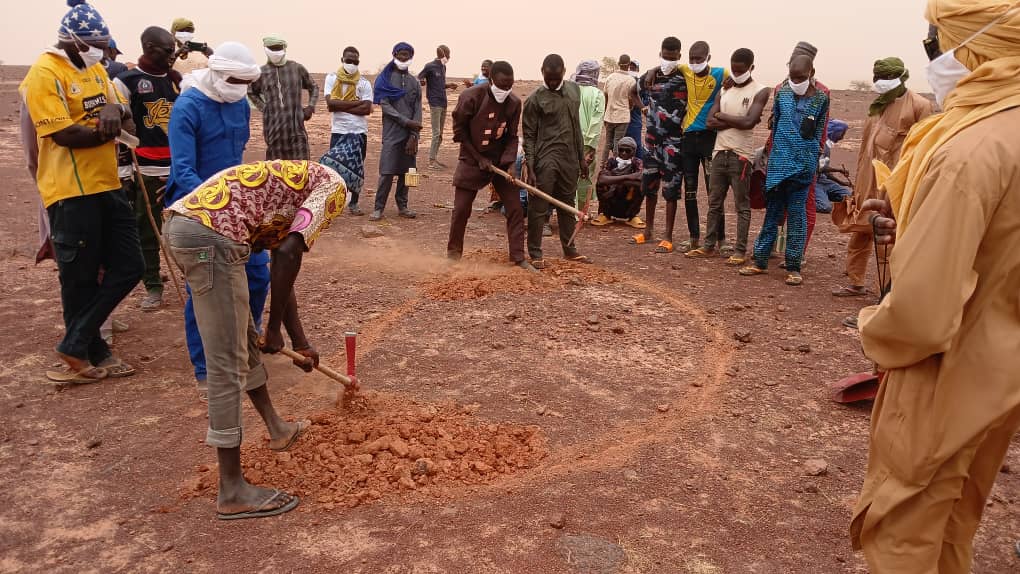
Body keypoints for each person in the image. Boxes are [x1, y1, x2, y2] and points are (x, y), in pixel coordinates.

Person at [851, 3, 1020, 571]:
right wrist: (920, 220)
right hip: (999, 375)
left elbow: (921, 315)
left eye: (937, 41)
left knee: (903, 530)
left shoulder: (969, 150)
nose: (935, 55)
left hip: (945, 372)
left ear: (975, 44)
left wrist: (873, 326)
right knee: (950, 527)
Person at [165, 159, 348, 519]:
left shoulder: (292, 184)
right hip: (209, 236)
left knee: (242, 338)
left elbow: (282, 263)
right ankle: (232, 489)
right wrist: (276, 328)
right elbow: (288, 253)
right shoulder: (334, 189)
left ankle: (278, 428)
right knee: (225, 362)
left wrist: (299, 340)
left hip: (194, 228)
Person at [20, 0, 142, 383]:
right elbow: (64, 135)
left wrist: (113, 112)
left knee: (129, 266)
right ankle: (92, 354)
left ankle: (76, 342)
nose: (100, 52)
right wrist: (108, 126)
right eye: (93, 45)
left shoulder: (96, 71)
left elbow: (125, 115)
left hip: (107, 183)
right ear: (71, 41)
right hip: (70, 190)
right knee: (79, 278)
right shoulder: (44, 73)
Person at [166, 41, 271, 398]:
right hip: (197, 209)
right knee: (206, 287)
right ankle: (206, 365)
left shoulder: (240, 104)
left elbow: (237, 157)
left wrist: (243, 202)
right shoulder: (188, 108)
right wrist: (217, 206)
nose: (241, 90)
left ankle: (245, 346)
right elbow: (183, 170)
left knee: (257, 274)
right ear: (218, 74)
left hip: (236, 207)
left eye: (247, 84)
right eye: (235, 81)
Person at [832, 57, 933, 300]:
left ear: (899, 77)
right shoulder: (876, 106)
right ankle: (855, 282)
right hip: (867, 180)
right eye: (876, 77)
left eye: (884, 78)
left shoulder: (919, 106)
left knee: (885, 240)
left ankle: (883, 296)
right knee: (860, 232)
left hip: (892, 185)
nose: (879, 82)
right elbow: (865, 149)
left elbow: (922, 148)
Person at [739, 55, 829, 286]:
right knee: (772, 215)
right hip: (779, 165)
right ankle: (759, 261)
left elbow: (819, 132)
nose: (795, 81)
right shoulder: (783, 93)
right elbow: (776, 126)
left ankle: (794, 266)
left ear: (811, 73)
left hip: (803, 167)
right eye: (792, 76)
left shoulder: (821, 98)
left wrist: (813, 160)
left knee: (797, 218)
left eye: (800, 77)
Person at [113, 27, 181, 312]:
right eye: (167, 51)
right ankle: (153, 284)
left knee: (183, 227)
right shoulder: (126, 81)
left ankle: (191, 277)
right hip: (145, 170)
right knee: (147, 230)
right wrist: (125, 173)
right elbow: (119, 129)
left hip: (177, 168)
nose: (172, 56)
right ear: (149, 47)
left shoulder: (176, 81)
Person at [446, 61, 533, 271]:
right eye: (502, 85)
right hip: (472, 159)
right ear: (491, 80)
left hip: (500, 162)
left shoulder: (513, 103)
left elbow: (512, 136)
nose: (506, 89)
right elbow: (460, 132)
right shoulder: (471, 96)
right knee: (461, 210)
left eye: (510, 85)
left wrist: (511, 162)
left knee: (515, 208)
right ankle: (453, 256)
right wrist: (478, 158)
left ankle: (518, 257)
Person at [688, 48, 769, 265]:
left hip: (741, 156)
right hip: (719, 152)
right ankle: (708, 246)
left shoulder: (760, 90)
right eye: (733, 69)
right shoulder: (724, 89)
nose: (735, 73)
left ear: (751, 68)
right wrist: (735, 119)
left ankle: (740, 250)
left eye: (740, 70)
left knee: (741, 205)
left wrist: (722, 116)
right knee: (714, 202)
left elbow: (749, 122)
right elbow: (709, 122)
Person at [523, 54, 591, 268]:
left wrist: (582, 159)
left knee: (567, 204)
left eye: (556, 77)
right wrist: (531, 166)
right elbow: (529, 136)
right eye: (549, 77)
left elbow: (577, 127)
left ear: (563, 71)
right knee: (538, 206)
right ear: (542, 71)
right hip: (545, 159)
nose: (552, 82)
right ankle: (535, 253)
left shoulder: (574, 90)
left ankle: (570, 249)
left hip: (570, 158)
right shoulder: (534, 99)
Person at [632, 37, 688, 254]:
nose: (668, 60)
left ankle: (667, 235)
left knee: (671, 189)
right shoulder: (650, 76)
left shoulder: (685, 77)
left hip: (674, 143)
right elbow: (632, 92)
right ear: (660, 53)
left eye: (672, 57)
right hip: (651, 142)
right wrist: (643, 108)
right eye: (665, 56)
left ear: (679, 56)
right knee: (649, 187)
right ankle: (648, 231)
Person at [672, 41, 728, 253]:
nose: (695, 63)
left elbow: (741, 80)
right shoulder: (685, 69)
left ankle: (721, 239)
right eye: (692, 59)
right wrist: (650, 72)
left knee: (715, 191)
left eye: (699, 59)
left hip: (709, 139)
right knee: (690, 192)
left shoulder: (722, 73)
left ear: (708, 58)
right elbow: (665, 67)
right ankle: (694, 237)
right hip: (688, 140)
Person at [371, 42, 422, 221]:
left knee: (408, 172)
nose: (403, 57)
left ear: (411, 57)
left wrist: (414, 135)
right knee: (386, 171)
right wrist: (406, 122)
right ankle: (378, 208)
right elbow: (385, 106)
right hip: (392, 133)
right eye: (400, 54)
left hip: (410, 134)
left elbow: (418, 110)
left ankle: (403, 205)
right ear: (394, 54)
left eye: (407, 55)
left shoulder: (414, 82)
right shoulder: (384, 79)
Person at [248, 35, 317, 161]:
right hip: (274, 131)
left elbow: (313, 87)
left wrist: (310, 106)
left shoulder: (296, 68)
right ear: (266, 49)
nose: (276, 52)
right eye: (272, 48)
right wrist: (264, 108)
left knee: (301, 170)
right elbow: (251, 92)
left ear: (284, 49)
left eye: (278, 48)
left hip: (296, 131)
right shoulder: (261, 73)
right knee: (276, 173)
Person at [324, 46, 373, 215]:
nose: (352, 64)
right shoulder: (331, 78)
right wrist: (356, 104)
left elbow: (367, 109)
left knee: (357, 167)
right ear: (342, 60)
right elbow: (331, 105)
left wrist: (341, 105)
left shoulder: (364, 82)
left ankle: (354, 203)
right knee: (334, 169)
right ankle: (333, 203)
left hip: (359, 131)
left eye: (355, 61)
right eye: (349, 60)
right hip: (339, 130)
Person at [418, 45, 459, 170]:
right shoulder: (430, 66)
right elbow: (419, 77)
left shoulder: (443, 67)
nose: (449, 57)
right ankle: (431, 161)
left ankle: (434, 158)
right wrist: (422, 81)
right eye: (448, 54)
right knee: (436, 133)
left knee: (440, 134)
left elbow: (440, 84)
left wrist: (449, 85)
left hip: (443, 102)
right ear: (443, 54)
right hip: (434, 103)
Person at [572, 60, 605, 211]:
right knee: (584, 178)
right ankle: (580, 212)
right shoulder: (597, 94)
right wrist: (591, 148)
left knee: (569, 177)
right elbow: (596, 123)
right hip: (586, 144)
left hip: (569, 141)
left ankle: (569, 211)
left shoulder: (571, 91)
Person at [592, 137, 644, 227]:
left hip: (628, 200)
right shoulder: (611, 161)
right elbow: (602, 179)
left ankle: (632, 216)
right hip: (611, 198)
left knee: (640, 187)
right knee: (601, 185)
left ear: (634, 151)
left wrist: (614, 179)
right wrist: (628, 177)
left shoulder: (637, 163)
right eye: (621, 150)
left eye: (628, 151)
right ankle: (606, 215)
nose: (624, 153)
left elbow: (641, 180)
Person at [602, 54, 638, 165]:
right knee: (618, 142)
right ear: (628, 65)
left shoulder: (610, 78)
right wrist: (630, 107)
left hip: (609, 115)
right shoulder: (631, 80)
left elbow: (606, 96)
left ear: (618, 64)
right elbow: (632, 99)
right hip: (622, 116)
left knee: (608, 142)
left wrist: (605, 112)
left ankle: (603, 164)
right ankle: (616, 165)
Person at [814, 119, 852, 214]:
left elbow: (825, 172)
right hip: (814, 181)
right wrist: (838, 170)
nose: (842, 137)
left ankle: (823, 196)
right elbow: (820, 169)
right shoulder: (821, 144)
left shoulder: (827, 145)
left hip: (822, 180)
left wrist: (841, 183)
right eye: (841, 134)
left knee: (849, 196)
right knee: (825, 207)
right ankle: (804, 203)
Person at [624, 59, 647, 161]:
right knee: (621, 144)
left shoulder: (640, 84)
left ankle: (639, 167)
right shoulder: (623, 81)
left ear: (638, 69)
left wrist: (637, 102)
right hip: (621, 119)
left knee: (636, 145)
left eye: (633, 67)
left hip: (634, 119)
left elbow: (645, 101)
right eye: (630, 67)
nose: (631, 69)